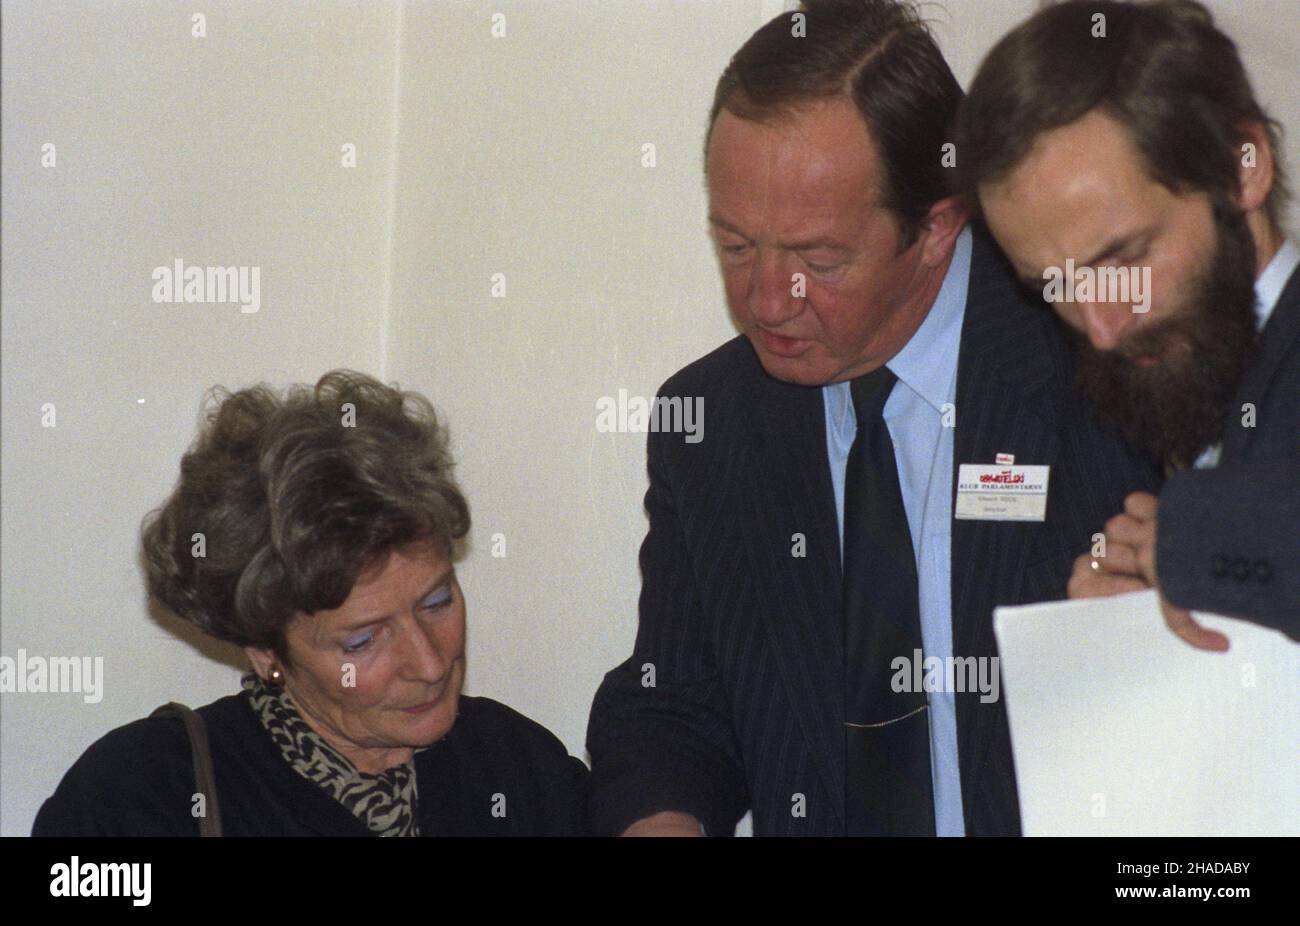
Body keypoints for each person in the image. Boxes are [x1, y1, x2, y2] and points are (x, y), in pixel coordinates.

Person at [586, 0, 1158, 837]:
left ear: (936, 226)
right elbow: (672, 708)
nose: (764, 299)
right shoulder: (709, 424)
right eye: (737, 245)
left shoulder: (1103, 365)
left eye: (819, 260)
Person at [33, 370, 587, 836]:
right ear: (266, 651)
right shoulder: (141, 797)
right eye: (363, 640)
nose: (430, 663)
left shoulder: (518, 769)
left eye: (437, 602)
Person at [956, 0, 1299, 648]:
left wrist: (1204, 541)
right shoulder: (1162, 402)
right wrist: (1125, 643)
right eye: (1053, 286)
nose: (1101, 327)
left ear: (1241, 167)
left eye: (1123, 258)